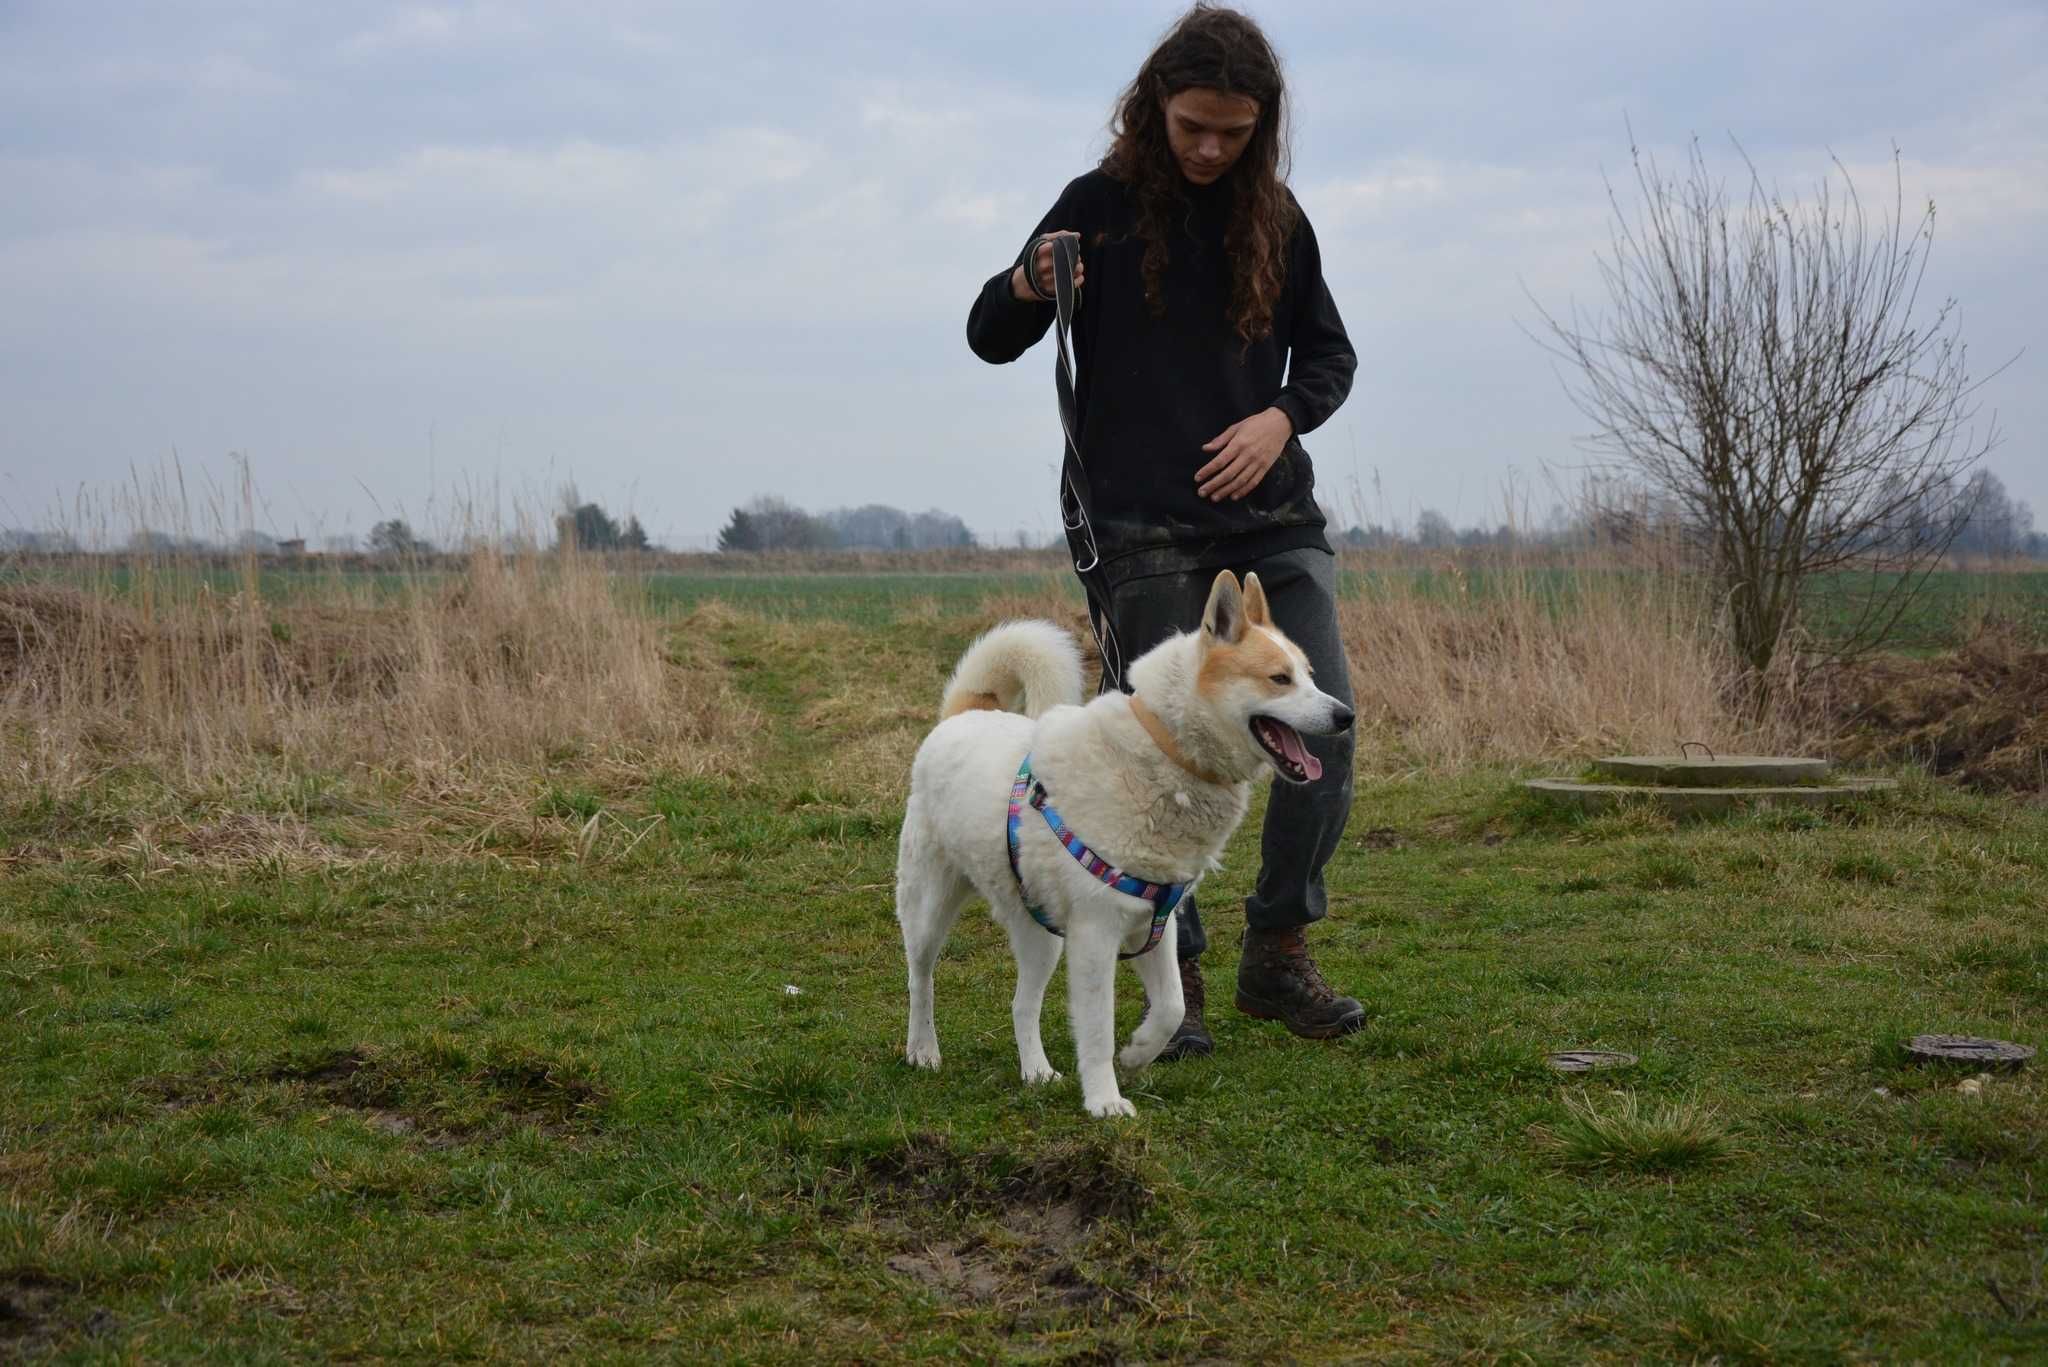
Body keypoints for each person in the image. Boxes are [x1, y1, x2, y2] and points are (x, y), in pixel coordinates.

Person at [965, 4, 1362, 1057]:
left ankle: (1276, 950)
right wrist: (1022, 283)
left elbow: (1329, 358)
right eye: (1190, 125)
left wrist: (1279, 416)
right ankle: (1168, 971)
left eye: (1231, 132)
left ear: (1258, 126)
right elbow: (988, 334)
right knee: (1153, 758)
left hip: (1273, 517)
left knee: (1329, 723)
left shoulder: (1277, 218)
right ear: (1154, 109)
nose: (1207, 148)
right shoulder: (1093, 208)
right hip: (1139, 526)